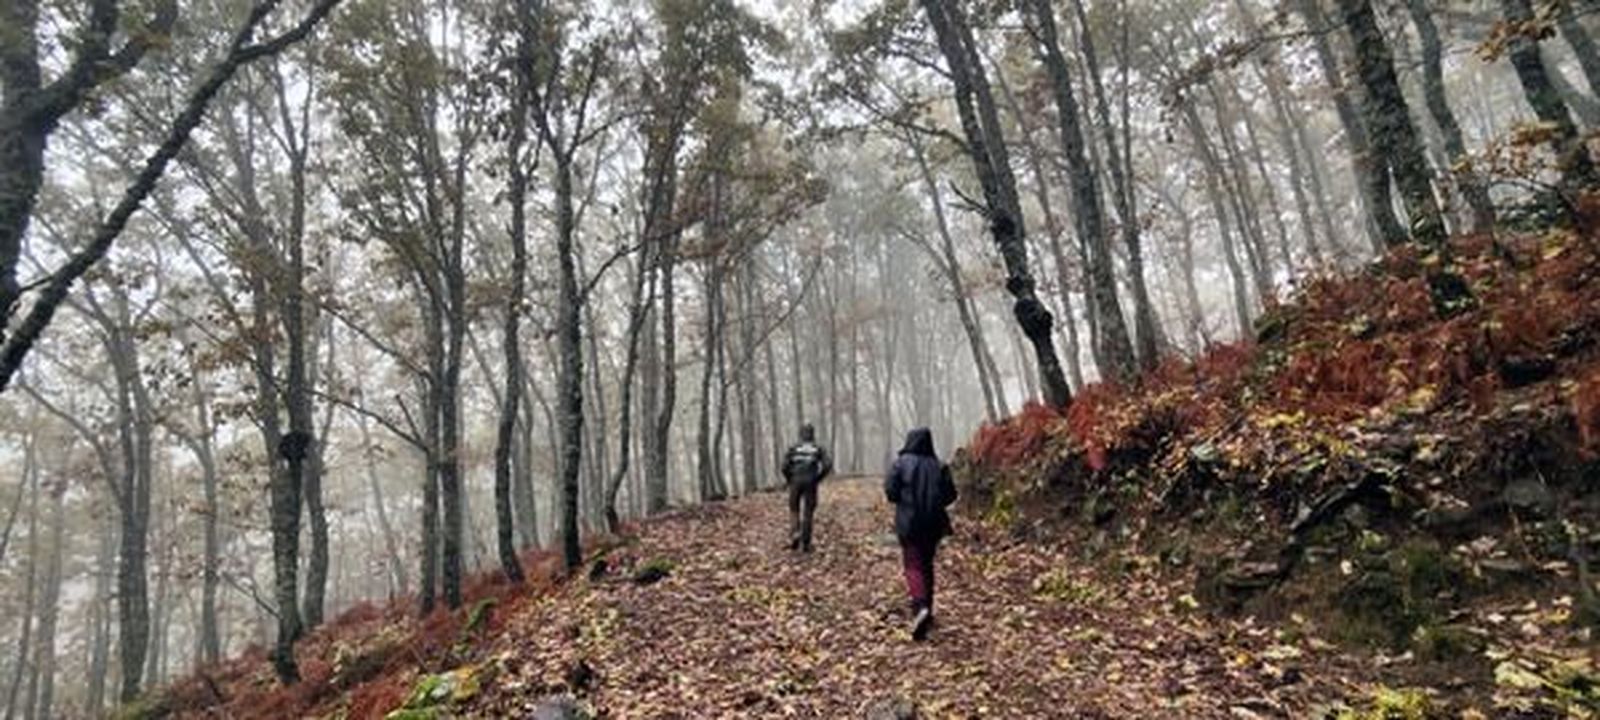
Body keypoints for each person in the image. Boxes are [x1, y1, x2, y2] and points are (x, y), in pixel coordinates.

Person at [884, 427, 956, 641]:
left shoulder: (901, 464)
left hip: (909, 522)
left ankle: (920, 606)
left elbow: (890, 491)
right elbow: (951, 494)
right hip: (934, 524)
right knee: (927, 564)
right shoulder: (939, 465)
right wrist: (934, 502)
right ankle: (928, 610)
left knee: (912, 565)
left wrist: (905, 500)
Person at [780, 423, 832, 553]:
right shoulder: (818, 448)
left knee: (794, 509)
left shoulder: (794, 448)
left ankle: (795, 533)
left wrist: (789, 479)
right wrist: (818, 478)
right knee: (808, 511)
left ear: (801, 434)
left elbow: (784, 466)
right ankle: (806, 543)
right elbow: (828, 464)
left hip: (795, 480)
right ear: (812, 434)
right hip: (811, 481)